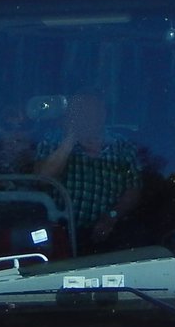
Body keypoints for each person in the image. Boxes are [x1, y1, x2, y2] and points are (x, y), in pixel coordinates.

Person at [34, 89, 141, 248]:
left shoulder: (122, 145)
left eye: (93, 112)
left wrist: (111, 216)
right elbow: (43, 178)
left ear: (103, 114)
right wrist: (70, 140)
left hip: (109, 231)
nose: (87, 118)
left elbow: (134, 190)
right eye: (81, 112)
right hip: (59, 231)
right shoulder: (52, 139)